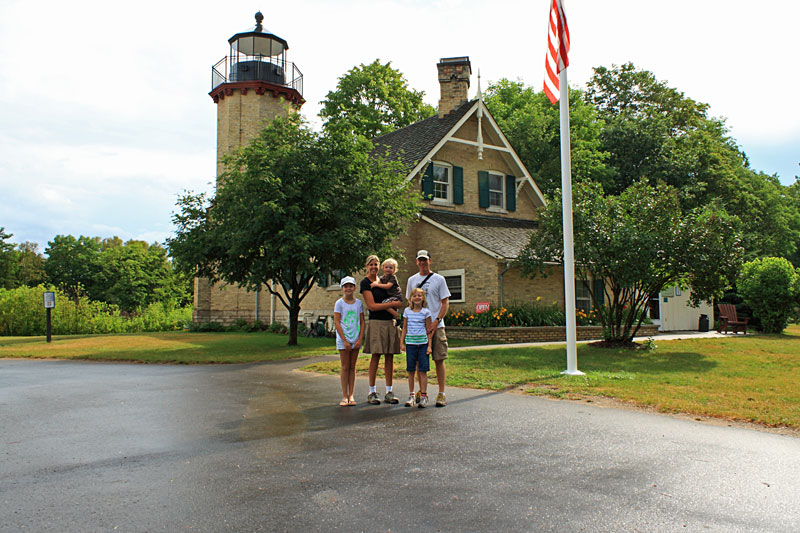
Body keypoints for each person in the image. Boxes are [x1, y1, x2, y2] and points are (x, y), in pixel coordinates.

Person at [405, 250, 451, 407]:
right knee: (419, 362)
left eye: (425, 260)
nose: (422, 263)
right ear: (417, 262)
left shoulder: (439, 279)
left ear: (430, 261)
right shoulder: (412, 280)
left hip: (436, 326)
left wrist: (436, 321)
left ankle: (441, 393)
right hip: (418, 328)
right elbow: (409, 304)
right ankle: (422, 391)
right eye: (420, 260)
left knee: (439, 358)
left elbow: (445, 303)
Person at [360, 255, 403, 404]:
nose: (373, 267)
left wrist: (395, 308)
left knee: (389, 356)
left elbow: (398, 301)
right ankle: (372, 392)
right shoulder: (365, 283)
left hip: (389, 322)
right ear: (367, 266)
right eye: (371, 264)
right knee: (376, 356)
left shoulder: (385, 280)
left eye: (376, 264)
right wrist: (393, 307)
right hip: (376, 322)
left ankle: (389, 391)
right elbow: (372, 306)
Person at [333, 276, 364, 406]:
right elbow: (337, 322)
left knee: (352, 367)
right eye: (346, 286)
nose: (348, 288)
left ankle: (351, 395)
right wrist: (344, 340)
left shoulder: (359, 303)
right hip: (343, 339)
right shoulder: (339, 303)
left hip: (355, 338)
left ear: (354, 288)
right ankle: (344, 396)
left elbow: (362, 322)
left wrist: (359, 339)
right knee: (345, 366)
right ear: (342, 288)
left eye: (351, 286)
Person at [400, 287, 433, 408]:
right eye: (414, 296)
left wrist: (429, 346)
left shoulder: (426, 312)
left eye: (419, 295)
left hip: (423, 344)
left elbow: (428, 329)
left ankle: (424, 395)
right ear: (411, 298)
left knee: (423, 370)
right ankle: (411, 395)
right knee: (411, 370)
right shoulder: (407, 311)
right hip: (411, 345)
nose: (417, 298)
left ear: (423, 298)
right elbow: (404, 328)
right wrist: (401, 343)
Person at [370, 258, 403, 324]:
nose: (388, 269)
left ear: (394, 270)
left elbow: (388, 286)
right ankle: (395, 315)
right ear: (383, 268)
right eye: (386, 267)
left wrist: (376, 285)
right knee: (386, 304)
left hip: (396, 296)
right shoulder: (382, 277)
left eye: (391, 268)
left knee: (384, 304)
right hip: (390, 296)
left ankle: (396, 315)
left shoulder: (393, 277)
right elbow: (379, 282)